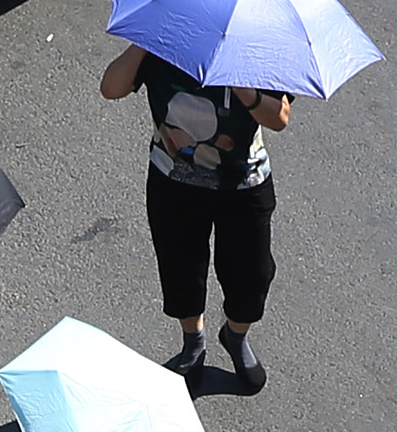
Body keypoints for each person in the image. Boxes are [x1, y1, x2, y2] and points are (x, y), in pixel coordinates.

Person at [100, 44, 292, 392]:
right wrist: (143, 44)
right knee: (181, 268)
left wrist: (246, 93)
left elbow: (279, 118)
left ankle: (235, 336)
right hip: (173, 179)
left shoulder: (256, 48)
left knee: (253, 274)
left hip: (244, 184)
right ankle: (193, 340)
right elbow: (110, 88)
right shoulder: (164, 45)